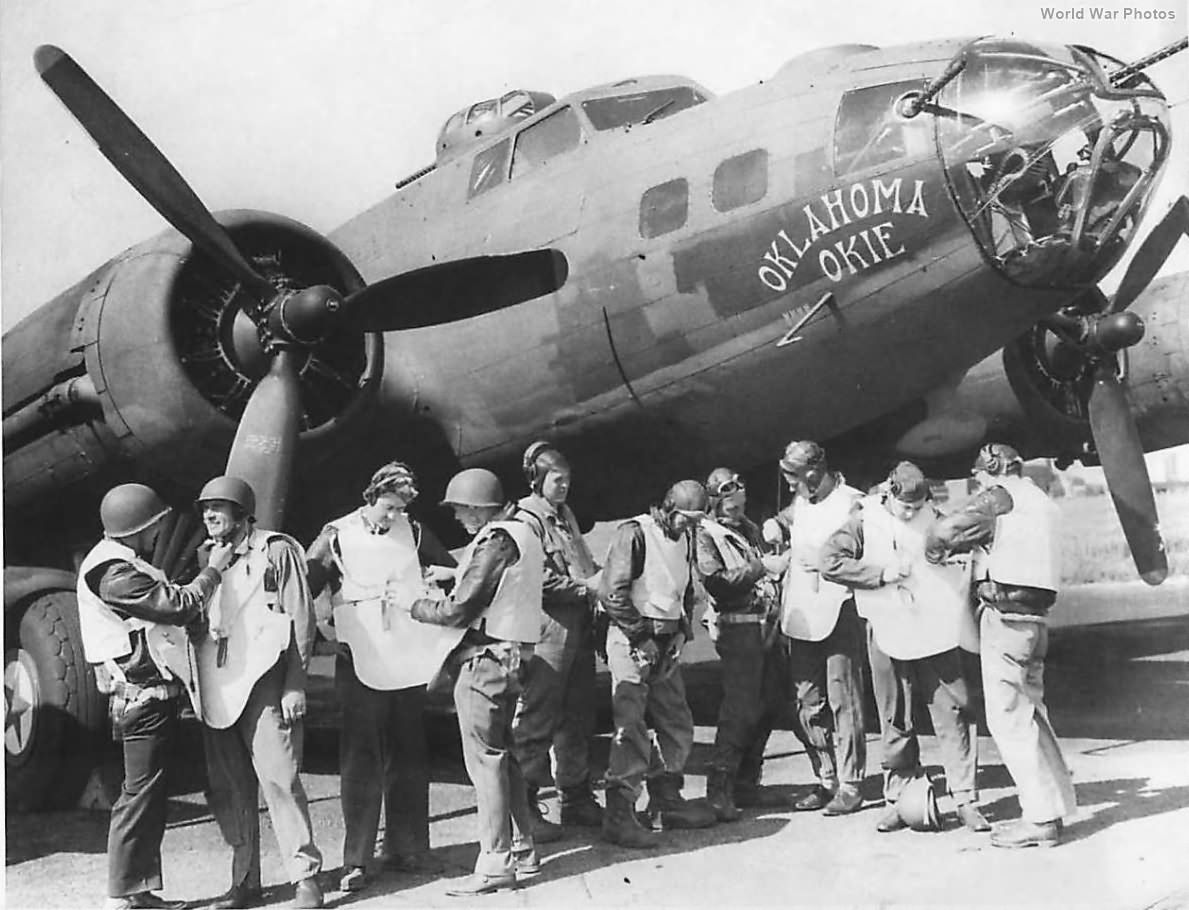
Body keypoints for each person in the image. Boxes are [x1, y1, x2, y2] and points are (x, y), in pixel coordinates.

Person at [77, 483, 234, 910]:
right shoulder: (114, 572)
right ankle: (123, 896)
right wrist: (214, 570)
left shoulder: (116, 563)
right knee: (139, 796)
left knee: (145, 795)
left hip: (149, 696)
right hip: (143, 699)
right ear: (141, 526)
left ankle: (137, 891)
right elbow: (177, 606)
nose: (158, 533)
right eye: (155, 525)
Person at [305, 462, 459, 893]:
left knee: (410, 752)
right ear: (371, 497)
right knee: (361, 759)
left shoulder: (414, 530)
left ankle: (409, 848)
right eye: (389, 508)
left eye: (401, 509)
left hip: (405, 654)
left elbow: (448, 571)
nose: (394, 517)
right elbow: (305, 580)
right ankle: (356, 859)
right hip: (358, 656)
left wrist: (433, 596)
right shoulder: (336, 534)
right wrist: (320, 630)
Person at [820, 462, 991, 834]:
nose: (912, 513)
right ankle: (899, 799)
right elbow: (829, 561)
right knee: (894, 716)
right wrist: (879, 574)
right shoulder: (865, 521)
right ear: (889, 495)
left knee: (955, 709)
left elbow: (972, 549)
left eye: (918, 507)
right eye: (905, 508)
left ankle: (966, 798)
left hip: (936, 630)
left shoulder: (938, 518)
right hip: (887, 628)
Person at [927, 443, 1076, 848]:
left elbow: (944, 531)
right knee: (1033, 716)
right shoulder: (1041, 501)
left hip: (1005, 621)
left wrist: (937, 552)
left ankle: (1040, 820)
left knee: (1009, 720)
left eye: (979, 477)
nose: (978, 483)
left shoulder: (998, 497)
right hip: (1036, 621)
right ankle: (1055, 808)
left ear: (990, 471)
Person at [407, 468, 545, 896]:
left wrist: (415, 605)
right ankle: (523, 851)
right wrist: (456, 574)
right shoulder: (525, 532)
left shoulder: (494, 538)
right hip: (514, 657)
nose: (459, 519)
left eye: (462, 510)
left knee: (484, 763)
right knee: (506, 759)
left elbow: (458, 611)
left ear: (479, 507)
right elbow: (501, 585)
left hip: (482, 662)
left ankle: (495, 863)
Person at [192, 476, 324, 909]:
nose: (210, 515)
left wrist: (294, 685)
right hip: (221, 683)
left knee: (281, 779)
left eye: (220, 507)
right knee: (231, 787)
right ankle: (244, 881)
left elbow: (301, 619)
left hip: (267, 680)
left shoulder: (277, 550)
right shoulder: (205, 557)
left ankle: (305, 878)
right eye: (206, 508)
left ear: (244, 512)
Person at [598, 479, 718, 847]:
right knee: (631, 726)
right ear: (668, 508)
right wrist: (641, 638)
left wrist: (683, 631)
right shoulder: (635, 533)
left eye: (697, 520)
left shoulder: (686, 537)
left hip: (666, 643)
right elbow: (611, 592)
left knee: (676, 719)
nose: (692, 526)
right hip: (632, 638)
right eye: (686, 518)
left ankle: (666, 800)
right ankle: (620, 814)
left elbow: (684, 591)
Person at [511, 442, 603, 841]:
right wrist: (587, 589)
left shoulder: (565, 516)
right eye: (556, 479)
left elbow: (583, 562)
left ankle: (576, 797)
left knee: (578, 715)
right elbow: (538, 579)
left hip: (578, 627)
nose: (563, 486)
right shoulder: (527, 520)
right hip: (549, 630)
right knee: (538, 717)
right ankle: (524, 807)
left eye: (567, 480)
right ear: (537, 481)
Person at [774, 440, 867, 815]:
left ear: (812, 476)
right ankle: (827, 777)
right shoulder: (803, 501)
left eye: (794, 478)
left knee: (845, 698)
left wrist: (826, 560)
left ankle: (852, 783)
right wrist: (776, 522)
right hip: (802, 614)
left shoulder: (853, 503)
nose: (791, 486)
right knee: (808, 699)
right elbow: (795, 514)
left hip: (839, 609)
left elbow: (865, 552)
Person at [695, 467, 788, 820]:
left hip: (765, 624)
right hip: (737, 628)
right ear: (715, 500)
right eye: (726, 496)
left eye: (738, 493)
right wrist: (762, 567)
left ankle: (747, 783)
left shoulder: (748, 529)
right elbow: (715, 581)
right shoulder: (706, 535)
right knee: (739, 709)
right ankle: (719, 790)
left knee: (768, 703)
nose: (735, 503)